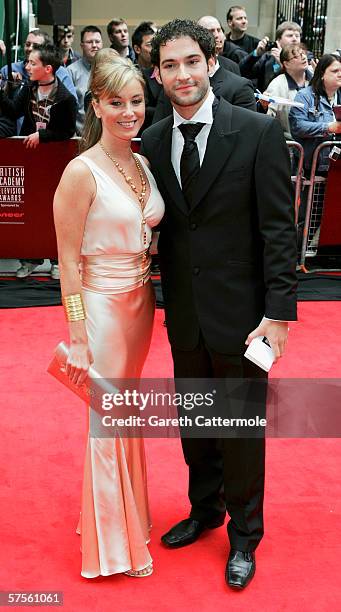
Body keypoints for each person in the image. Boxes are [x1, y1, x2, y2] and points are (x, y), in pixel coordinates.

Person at [141, 19, 297, 590]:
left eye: (190, 62)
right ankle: (204, 511)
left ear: (211, 62)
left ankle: (245, 536)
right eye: (169, 66)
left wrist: (278, 315)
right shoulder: (155, 139)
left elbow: (279, 231)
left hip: (245, 317)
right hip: (185, 313)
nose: (181, 75)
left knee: (240, 429)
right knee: (198, 426)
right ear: (157, 75)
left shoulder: (256, 131)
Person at [53, 56, 164, 578]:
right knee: (108, 421)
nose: (128, 112)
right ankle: (113, 546)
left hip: (140, 306)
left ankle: (124, 513)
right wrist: (77, 336)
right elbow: (68, 264)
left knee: (125, 415)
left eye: (136, 101)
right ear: (95, 105)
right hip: (99, 308)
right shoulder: (81, 171)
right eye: (115, 102)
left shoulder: (141, 163)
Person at [0, 43, 77, 280]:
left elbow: (67, 131)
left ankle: (56, 259)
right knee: (34, 208)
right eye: (27, 62)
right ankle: (31, 259)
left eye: (33, 63)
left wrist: (42, 136)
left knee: (56, 209)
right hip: (33, 160)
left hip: (56, 160)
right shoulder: (29, 88)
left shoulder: (65, 98)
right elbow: (13, 111)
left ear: (48, 68)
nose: (27, 66)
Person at [289, 54, 341, 172]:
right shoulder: (305, 96)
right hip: (309, 167)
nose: (340, 74)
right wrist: (329, 127)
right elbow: (298, 126)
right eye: (335, 71)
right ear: (322, 74)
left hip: (337, 166)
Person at [240, 21, 302, 91]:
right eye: (290, 36)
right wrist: (256, 54)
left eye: (297, 36)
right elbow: (244, 72)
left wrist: (282, 62)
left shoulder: (306, 57)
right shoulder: (268, 57)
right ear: (278, 40)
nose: (294, 39)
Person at [265, 45, 311, 139]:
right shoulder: (277, 85)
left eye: (303, 53)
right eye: (296, 56)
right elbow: (269, 117)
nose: (303, 57)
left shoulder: (315, 80)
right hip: (289, 141)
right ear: (286, 64)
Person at [67, 26, 103, 135]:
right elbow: (69, 109)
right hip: (80, 136)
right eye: (89, 42)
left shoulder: (110, 70)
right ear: (82, 45)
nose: (94, 45)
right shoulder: (71, 71)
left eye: (97, 42)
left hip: (106, 135)